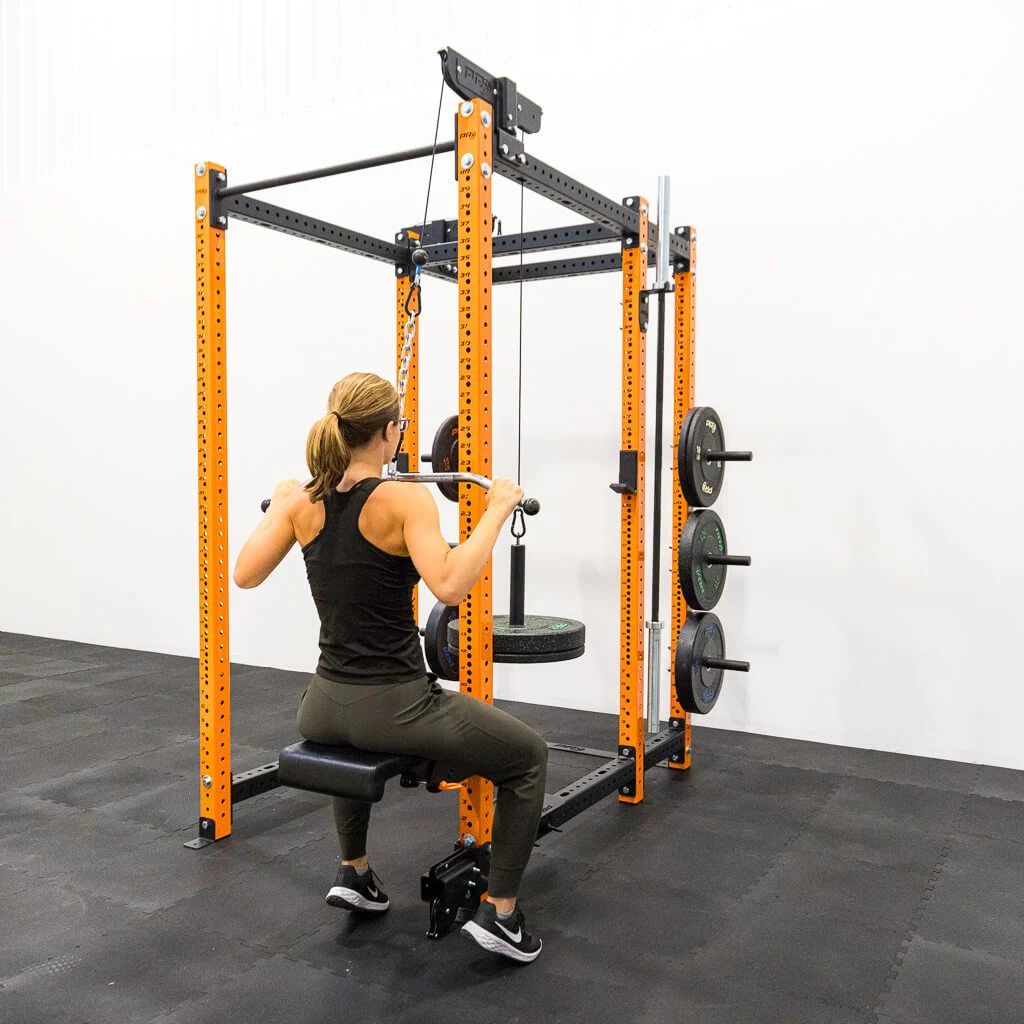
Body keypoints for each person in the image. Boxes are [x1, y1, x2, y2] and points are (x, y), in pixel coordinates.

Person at [233, 371, 548, 964]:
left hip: (322, 707)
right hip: (396, 708)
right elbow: (450, 585)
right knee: (528, 758)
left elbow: (244, 573)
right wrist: (497, 509)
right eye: (399, 425)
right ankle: (503, 914)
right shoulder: (405, 501)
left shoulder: (302, 501)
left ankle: (354, 870)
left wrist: (280, 502)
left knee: (349, 735)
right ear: (388, 432)